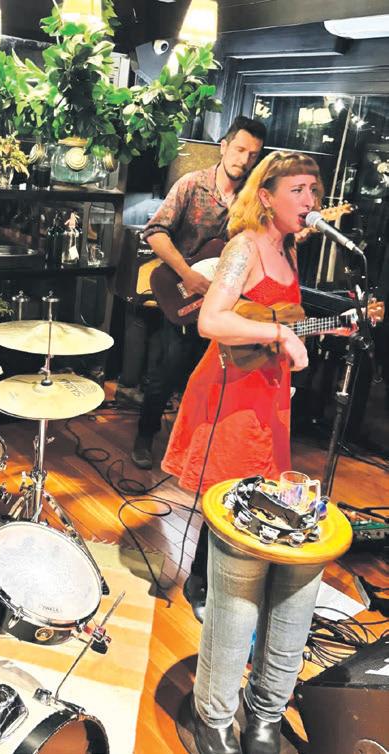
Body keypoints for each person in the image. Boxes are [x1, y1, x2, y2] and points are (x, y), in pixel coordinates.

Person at [166, 151, 325, 754]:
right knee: (236, 514)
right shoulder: (244, 247)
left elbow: (276, 316)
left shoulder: (289, 250)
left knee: (256, 511)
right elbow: (212, 321)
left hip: (268, 394)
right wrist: (279, 332)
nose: (309, 201)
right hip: (230, 398)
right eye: (299, 189)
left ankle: (257, 686)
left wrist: (307, 330)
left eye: (314, 190)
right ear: (266, 195)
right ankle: (216, 638)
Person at [132, 116, 266, 470]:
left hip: (227, 304)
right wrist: (187, 274)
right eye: (239, 149)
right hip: (184, 294)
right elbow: (155, 232)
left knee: (214, 378)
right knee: (167, 372)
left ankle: (197, 449)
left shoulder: (254, 201)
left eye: (253, 154)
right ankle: (145, 436)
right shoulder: (192, 184)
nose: (244, 159)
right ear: (224, 146)